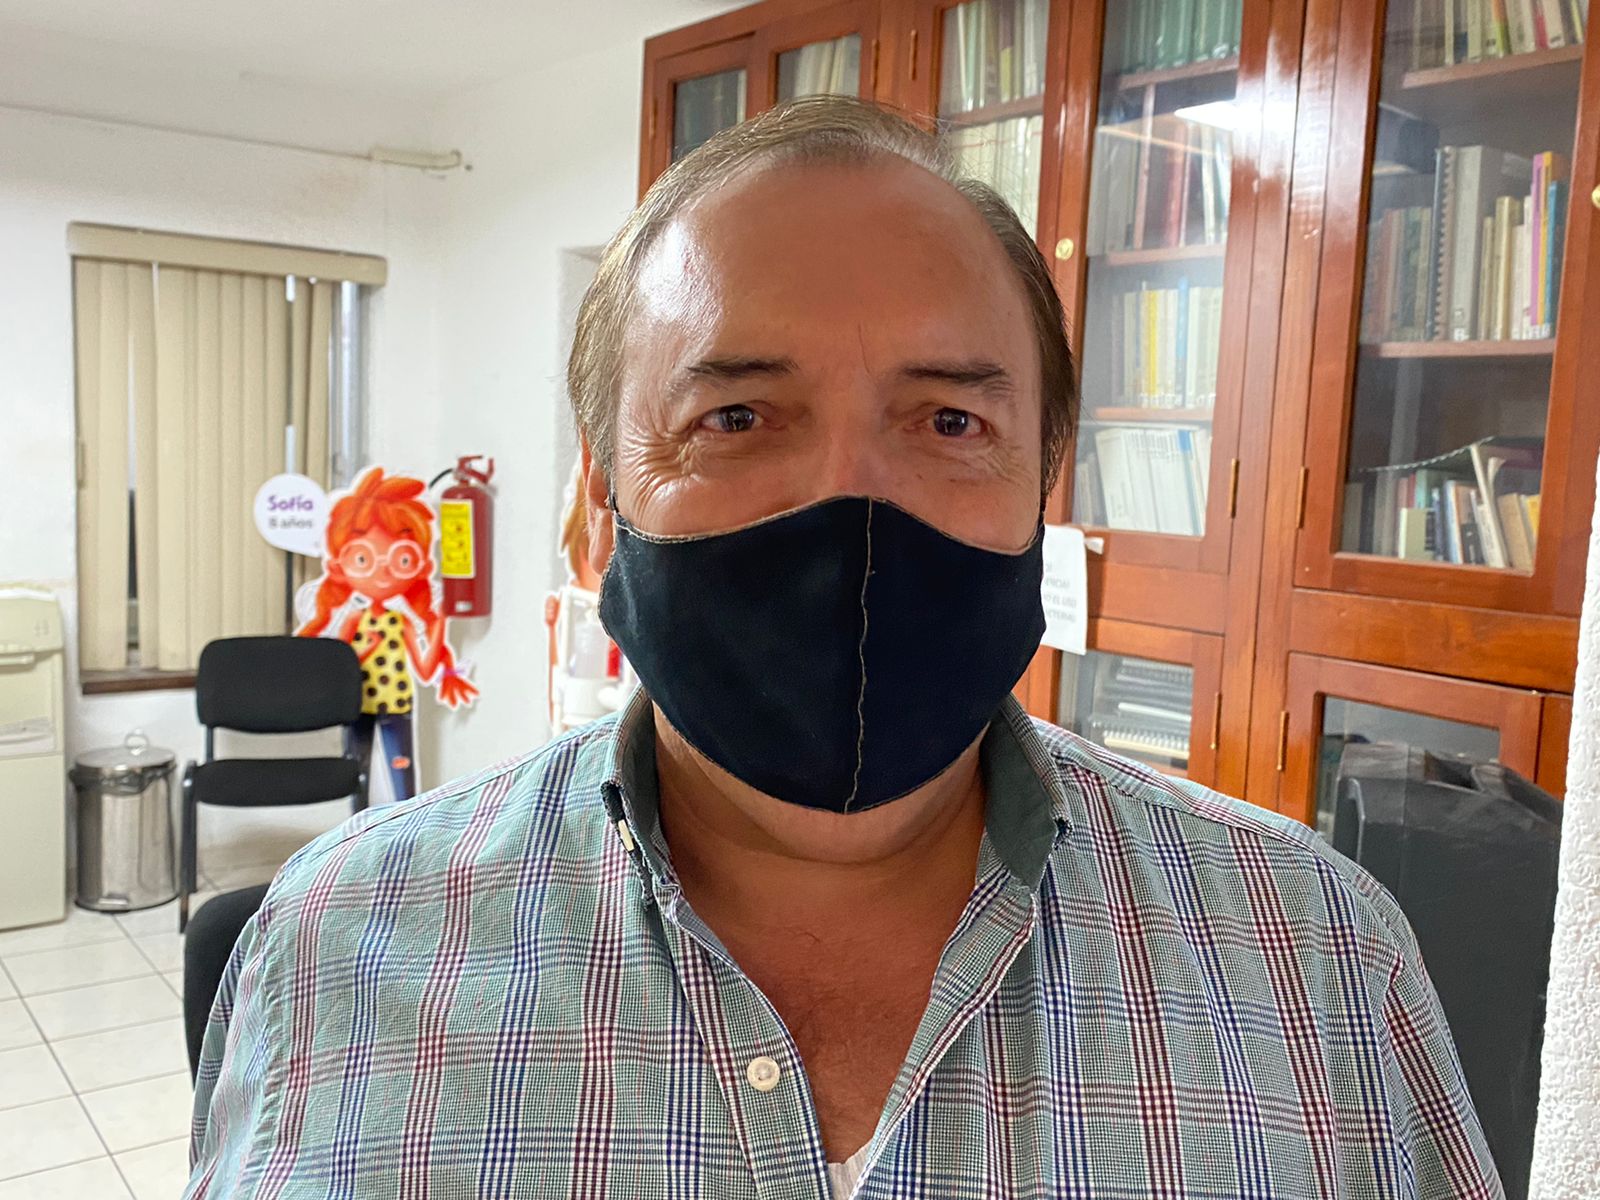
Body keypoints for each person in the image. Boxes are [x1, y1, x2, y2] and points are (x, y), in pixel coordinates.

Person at [186, 96, 1501, 1199]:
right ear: (598, 518)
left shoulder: (1319, 958)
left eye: (949, 423)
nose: (850, 504)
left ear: (1042, 490)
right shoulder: (334, 949)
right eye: (738, 417)